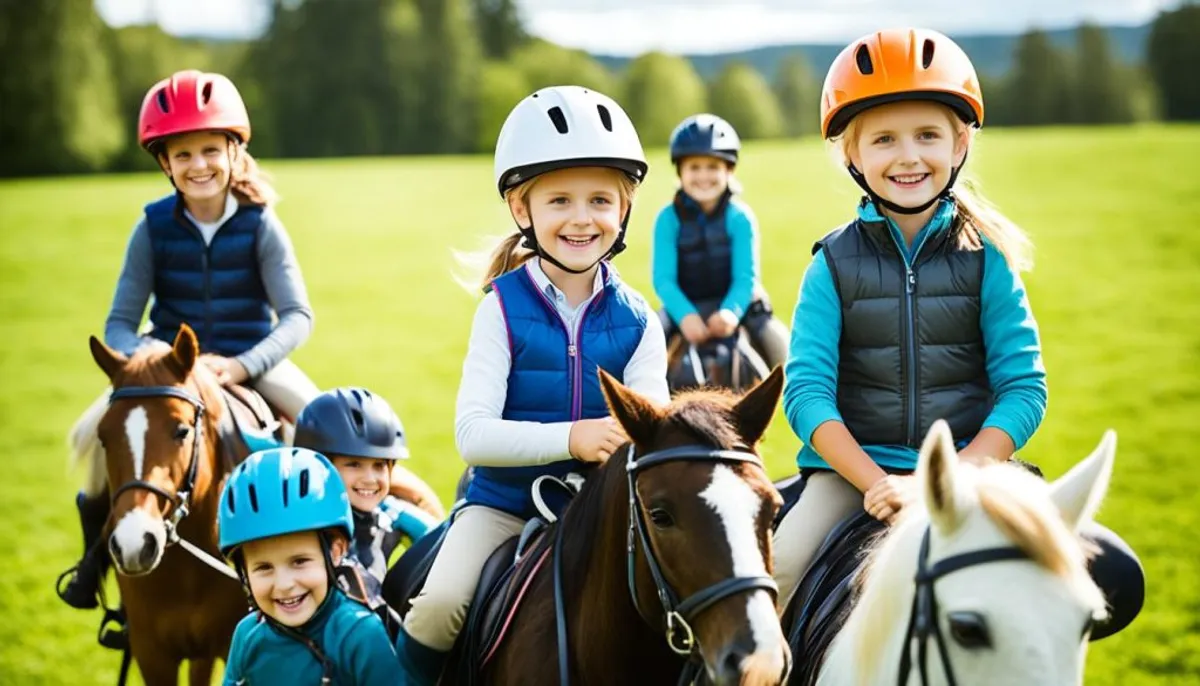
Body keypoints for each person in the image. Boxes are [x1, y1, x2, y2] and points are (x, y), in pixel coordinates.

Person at [773, 27, 1143, 639]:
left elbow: (1023, 388)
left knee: (1097, 580)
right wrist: (877, 484)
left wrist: (954, 477)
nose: (908, 156)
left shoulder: (988, 258)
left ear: (960, 143)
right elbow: (807, 393)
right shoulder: (831, 264)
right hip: (852, 477)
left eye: (927, 135)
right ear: (853, 156)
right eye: (885, 139)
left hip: (976, 472)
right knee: (778, 573)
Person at [392, 85, 670, 684]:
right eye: (560, 199)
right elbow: (473, 437)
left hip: (605, 515)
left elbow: (653, 426)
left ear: (624, 209)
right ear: (523, 210)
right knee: (438, 608)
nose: (581, 217)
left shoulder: (640, 320)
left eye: (600, 199)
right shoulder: (500, 308)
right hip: (503, 505)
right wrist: (573, 439)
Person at [58, 69, 320, 613]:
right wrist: (150, 360)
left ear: (233, 151)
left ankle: (327, 560)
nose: (198, 165)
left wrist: (244, 366)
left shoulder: (261, 224)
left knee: (320, 424)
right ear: (164, 163)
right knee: (93, 436)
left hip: (247, 362)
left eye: (209, 150)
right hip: (168, 366)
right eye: (182, 155)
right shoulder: (152, 227)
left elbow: (297, 315)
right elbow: (119, 325)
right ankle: (93, 564)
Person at [219, 448, 402, 685]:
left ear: (335, 552)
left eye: (299, 562)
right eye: (263, 567)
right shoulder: (247, 635)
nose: (284, 585)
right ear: (243, 572)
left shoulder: (359, 635)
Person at [652, 113, 789, 369]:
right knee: (646, 343)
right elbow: (663, 279)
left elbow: (745, 278)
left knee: (779, 341)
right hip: (684, 304)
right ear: (679, 171)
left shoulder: (740, 218)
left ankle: (786, 393)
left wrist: (730, 312)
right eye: (694, 167)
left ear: (729, 170)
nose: (703, 176)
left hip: (733, 300)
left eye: (713, 167)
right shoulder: (667, 219)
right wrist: (685, 316)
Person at [293, 387, 442, 614]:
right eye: (354, 464)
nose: (370, 479)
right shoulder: (298, 524)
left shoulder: (389, 516)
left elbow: (440, 537)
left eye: (379, 465)